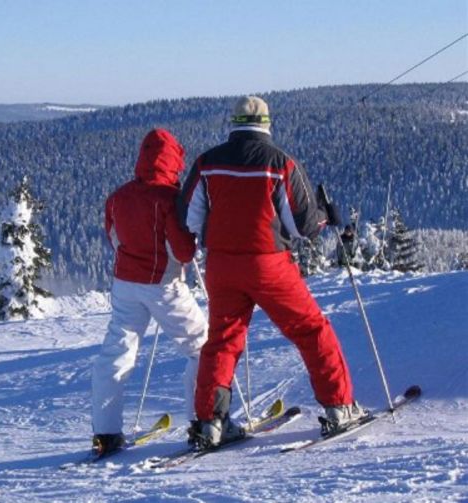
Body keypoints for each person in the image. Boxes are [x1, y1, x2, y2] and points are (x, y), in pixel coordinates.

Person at [179, 96, 366, 448]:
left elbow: (189, 218)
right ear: (266, 124)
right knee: (311, 330)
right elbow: (302, 226)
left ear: (233, 123)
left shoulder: (207, 163)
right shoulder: (280, 163)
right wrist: (326, 216)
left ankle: (210, 423)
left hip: (221, 264)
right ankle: (339, 406)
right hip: (268, 264)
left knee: (222, 340)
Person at [91, 128, 207, 455]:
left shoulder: (119, 196)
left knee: (116, 353)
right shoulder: (170, 198)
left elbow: (114, 237)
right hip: (163, 285)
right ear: (173, 161)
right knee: (202, 347)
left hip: (125, 283)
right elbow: (183, 252)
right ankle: (203, 421)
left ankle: (105, 431)